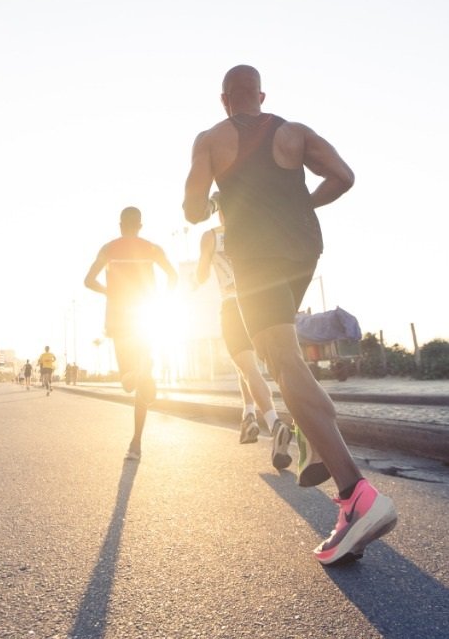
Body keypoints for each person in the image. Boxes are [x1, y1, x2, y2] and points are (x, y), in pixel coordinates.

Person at [183, 64, 397, 565]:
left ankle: (356, 495)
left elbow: (193, 209)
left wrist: (212, 197)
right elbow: (343, 177)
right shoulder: (294, 132)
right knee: (287, 357)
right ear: (261, 95)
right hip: (303, 250)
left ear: (223, 100)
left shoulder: (210, 139)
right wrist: (301, 202)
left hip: (257, 257)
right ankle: (317, 444)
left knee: (281, 360)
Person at [195, 193, 328, 485]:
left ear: (218, 211)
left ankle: (273, 423)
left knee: (248, 368)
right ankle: (253, 416)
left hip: (232, 304)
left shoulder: (211, 236)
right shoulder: (258, 229)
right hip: (264, 301)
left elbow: (201, 275)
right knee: (279, 367)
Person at [84, 206, 178, 461]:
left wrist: (109, 291)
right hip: (146, 316)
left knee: (127, 382)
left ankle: (140, 373)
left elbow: (88, 280)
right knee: (136, 385)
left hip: (118, 319)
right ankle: (136, 444)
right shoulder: (152, 248)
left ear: (120, 225)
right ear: (140, 225)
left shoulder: (108, 249)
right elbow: (173, 275)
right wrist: (163, 298)